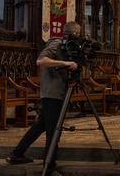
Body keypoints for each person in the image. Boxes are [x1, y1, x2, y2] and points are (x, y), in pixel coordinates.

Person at [6, 22, 81, 176]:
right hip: (52, 94)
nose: (79, 36)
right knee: (54, 131)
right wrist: (66, 63)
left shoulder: (67, 46)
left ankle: (16, 154)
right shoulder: (56, 43)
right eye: (78, 33)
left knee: (40, 126)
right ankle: (49, 166)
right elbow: (41, 61)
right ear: (72, 32)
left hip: (56, 93)